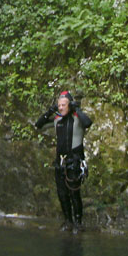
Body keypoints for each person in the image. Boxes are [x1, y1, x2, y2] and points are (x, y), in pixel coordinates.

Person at [35, 89, 92, 233]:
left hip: (75, 160)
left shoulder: (77, 118)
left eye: (63, 105)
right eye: (59, 105)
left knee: (74, 193)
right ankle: (68, 221)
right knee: (62, 193)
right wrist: (50, 111)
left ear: (70, 105)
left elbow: (88, 122)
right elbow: (39, 125)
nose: (61, 108)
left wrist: (76, 108)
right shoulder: (57, 119)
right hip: (60, 161)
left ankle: (78, 223)